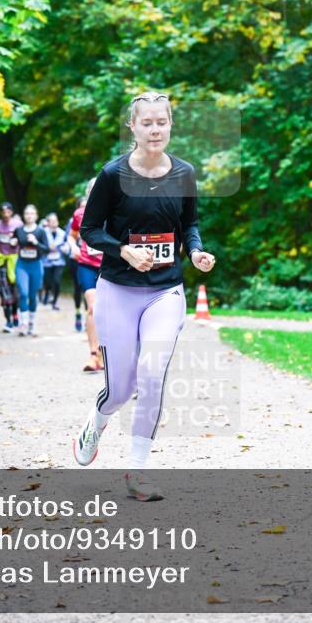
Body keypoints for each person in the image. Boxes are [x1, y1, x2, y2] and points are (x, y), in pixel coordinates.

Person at [72, 91, 216, 502]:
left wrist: (197, 251)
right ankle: (96, 422)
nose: (155, 129)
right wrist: (123, 250)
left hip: (165, 291)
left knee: (152, 375)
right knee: (120, 389)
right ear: (132, 127)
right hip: (117, 290)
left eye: (162, 122)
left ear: (170, 125)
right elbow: (90, 230)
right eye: (147, 122)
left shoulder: (184, 173)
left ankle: (137, 472)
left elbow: (189, 224)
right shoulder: (113, 175)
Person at [69, 182, 105, 372]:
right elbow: (71, 235)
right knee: (92, 306)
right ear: (87, 193)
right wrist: (73, 246)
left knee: (110, 311)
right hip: (86, 264)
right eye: (91, 190)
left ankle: (106, 353)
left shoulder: (114, 210)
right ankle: (93, 355)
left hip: (109, 267)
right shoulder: (79, 214)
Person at [14, 204, 50, 336]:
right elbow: (14, 241)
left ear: (36, 215)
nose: (29, 216)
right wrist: (13, 242)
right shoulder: (19, 230)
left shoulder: (40, 231)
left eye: (31, 213)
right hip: (22, 265)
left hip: (36, 265)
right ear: (24, 215)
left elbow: (46, 250)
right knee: (22, 293)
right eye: (27, 213)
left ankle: (31, 323)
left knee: (32, 295)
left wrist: (36, 242)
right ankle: (23, 323)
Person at [0, 202, 23, 333]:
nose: (5, 214)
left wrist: (17, 242)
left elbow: (23, 239)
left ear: (12, 212)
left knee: (16, 292)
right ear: (0, 213)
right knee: (4, 292)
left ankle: (15, 314)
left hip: (15, 261)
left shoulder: (18, 225)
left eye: (8, 211)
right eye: (3, 211)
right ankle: (8, 321)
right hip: (2, 261)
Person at [41, 212, 68, 310]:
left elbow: (67, 245)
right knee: (48, 281)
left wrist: (66, 249)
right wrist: (47, 248)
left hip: (59, 261)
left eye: (55, 220)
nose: (54, 222)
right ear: (47, 222)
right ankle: (47, 291)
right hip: (46, 261)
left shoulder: (62, 233)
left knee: (57, 281)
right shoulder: (42, 232)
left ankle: (55, 302)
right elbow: (39, 246)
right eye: (52, 221)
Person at [65, 204, 85, 332]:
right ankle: (78, 313)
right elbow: (69, 236)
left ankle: (90, 315)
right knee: (78, 286)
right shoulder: (74, 219)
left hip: (95, 259)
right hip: (76, 258)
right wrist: (74, 247)